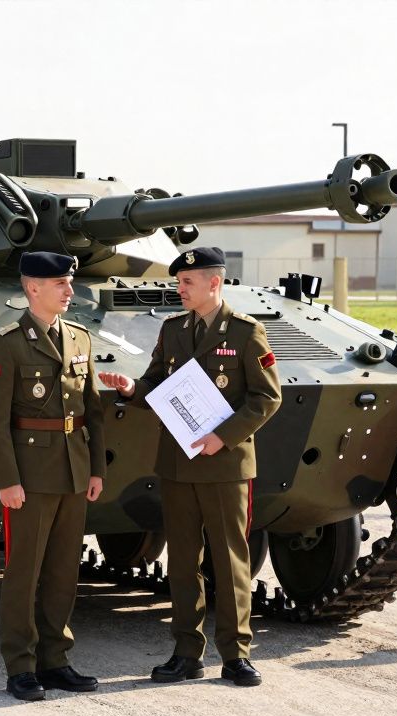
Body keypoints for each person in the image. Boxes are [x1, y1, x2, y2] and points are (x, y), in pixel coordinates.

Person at [98, 246, 280, 688]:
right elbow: (157, 383)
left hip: (224, 464)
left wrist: (224, 435)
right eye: (179, 282)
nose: (179, 289)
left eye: (187, 282)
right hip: (179, 463)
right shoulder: (174, 329)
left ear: (213, 283)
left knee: (231, 559)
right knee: (182, 561)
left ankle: (236, 655)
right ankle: (185, 652)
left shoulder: (245, 332)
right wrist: (130, 388)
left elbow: (266, 397)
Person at [0, 251, 105, 702]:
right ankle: (21, 666)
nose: (70, 291)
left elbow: (92, 411)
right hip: (29, 477)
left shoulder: (80, 339)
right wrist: (6, 480)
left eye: (70, 283)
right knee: (23, 573)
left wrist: (97, 470)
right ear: (33, 288)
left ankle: (55, 660)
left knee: (63, 573)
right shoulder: (7, 343)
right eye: (60, 285)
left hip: (73, 471)